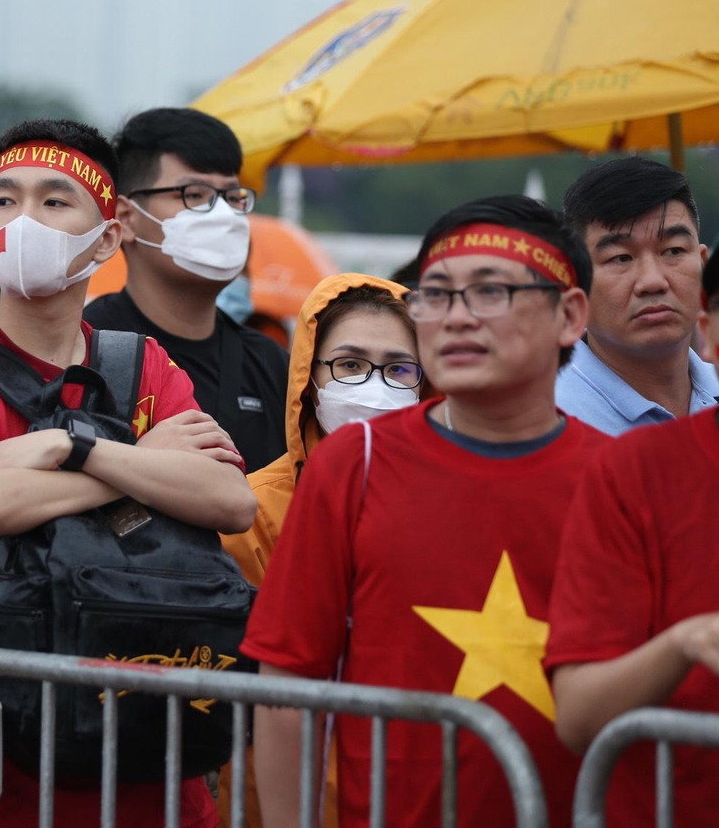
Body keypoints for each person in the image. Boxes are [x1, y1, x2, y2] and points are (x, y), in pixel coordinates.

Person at [0, 118, 254, 828]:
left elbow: (230, 499)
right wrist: (142, 463)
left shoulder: (142, 362)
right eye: (4, 199)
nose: (23, 220)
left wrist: (72, 448)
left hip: (146, 726)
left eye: (56, 201)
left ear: (109, 236)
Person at [244, 196, 605, 828]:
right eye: (436, 294)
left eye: (490, 291)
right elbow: (285, 694)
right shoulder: (348, 466)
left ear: (570, 315)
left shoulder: (621, 479)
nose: (458, 318)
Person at [216, 274, 421, 827]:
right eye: (350, 365)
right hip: (283, 796)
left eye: (399, 369)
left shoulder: (456, 505)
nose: (374, 386)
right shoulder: (251, 511)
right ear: (309, 378)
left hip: (410, 787)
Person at [546, 246, 719, 825]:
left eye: (672, 250)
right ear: (708, 330)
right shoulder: (634, 471)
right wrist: (684, 643)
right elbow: (578, 715)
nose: (649, 279)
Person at [84, 107, 288, 470]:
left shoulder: (273, 365)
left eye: (232, 197)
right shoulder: (84, 347)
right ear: (127, 219)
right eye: (195, 195)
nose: (224, 215)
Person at [556, 156, 715, 433]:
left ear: (703, 264)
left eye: (673, 251)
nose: (652, 282)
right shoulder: (546, 421)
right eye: (621, 258)